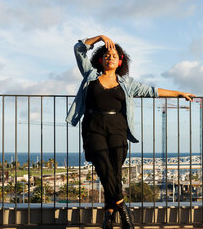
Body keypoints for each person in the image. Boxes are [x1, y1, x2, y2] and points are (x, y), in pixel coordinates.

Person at [66, 35, 195, 229]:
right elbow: (79, 49)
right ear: (100, 59)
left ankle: (109, 213)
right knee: (103, 166)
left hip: (117, 127)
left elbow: (151, 91)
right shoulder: (90, 74)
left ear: (120, 62)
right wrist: (100, 38)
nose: (110, 57)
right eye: (107, 55)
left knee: (115, 171)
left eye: (114, 56)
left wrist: (179, 93)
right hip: (93, 126)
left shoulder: (126, 83)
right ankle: (123, 209)